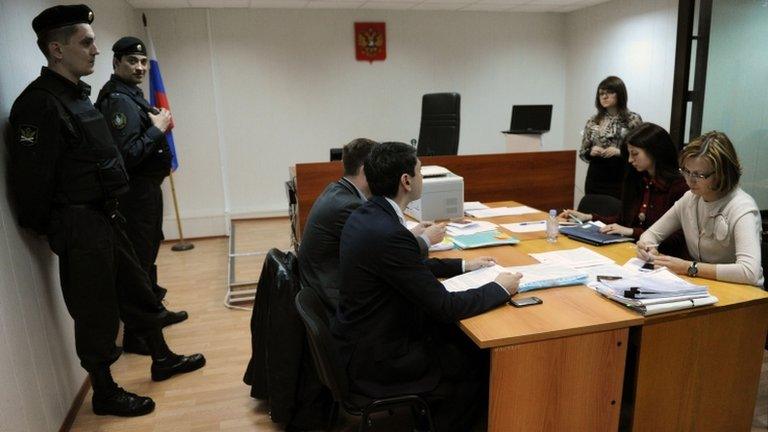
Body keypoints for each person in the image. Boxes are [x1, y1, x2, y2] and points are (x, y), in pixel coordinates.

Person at [7, 5, 205, 417]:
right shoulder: (39, 105)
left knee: (139, 289)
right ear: (57, 50)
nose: (96, 50)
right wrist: (57, 228)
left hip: (107, 216)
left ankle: (162, 357)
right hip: (80, 224)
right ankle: (105, 391)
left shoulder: (77, 97)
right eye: (87, 42)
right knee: (95, 311)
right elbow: (32, 181)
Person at [332, 141, 522, 432]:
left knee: (457, 341)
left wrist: (462, 266)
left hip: (362, 339)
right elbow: (444, 307)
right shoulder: (388, 233)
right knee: (477, 359)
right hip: (381, 360)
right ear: (406, 181)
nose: (422, 178)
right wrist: (499, 288)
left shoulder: (367, 215)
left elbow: (405, 267)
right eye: (420, 172)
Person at [96, 36, 186, 355]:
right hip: (134, 196)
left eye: (143, 62)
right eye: (131, 61)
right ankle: (139, 335)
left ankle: (154, 315)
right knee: (138, 262)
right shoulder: (118, 101)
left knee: (146, 257)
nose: (139, 67)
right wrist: (157, 128)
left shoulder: (130, 95)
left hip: (146, 191)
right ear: (116, 63)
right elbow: (127, 154)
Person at [298, 138, 445, 315]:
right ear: (365, 171)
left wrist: (410, 235)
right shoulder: (351, 207)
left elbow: (380, 245)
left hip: (325, 285)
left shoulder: (337, 191)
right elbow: (392, 253)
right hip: (336, 301)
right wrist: (425, 239)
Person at [637, 131, 763, 287]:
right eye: (686, 171)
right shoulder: (690, 198)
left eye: (699, 175)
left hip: (744, 296)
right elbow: (651, 235)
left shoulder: (742, 208)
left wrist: (688, 267)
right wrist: (648, 248)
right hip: (707, 286)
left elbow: (750, 272)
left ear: (722, 173)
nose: (690, 181)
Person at [561, 123, 688, 256]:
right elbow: (622, 221)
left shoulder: (679, 187)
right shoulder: (638, 179)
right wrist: (588, 217)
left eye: (634, 154)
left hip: (662, 258)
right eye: (628, 154)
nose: (630, 160)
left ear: (654, 151)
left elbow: (678, 238)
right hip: (631, 252)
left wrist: (632, 232)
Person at [580, 76, 643, 199]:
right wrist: (591, 152)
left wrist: (620, 152)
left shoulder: (633, 119)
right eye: (601, 93)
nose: (604, 96)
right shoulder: (593, 121)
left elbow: (641, 152)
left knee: (616, 213)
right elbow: (583, 152)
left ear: (620, 94)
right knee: (592, 211)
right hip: (596, 177)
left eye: (609, 92)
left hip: (621, 175)